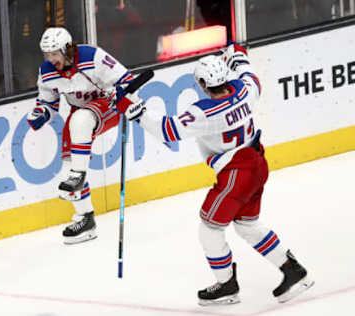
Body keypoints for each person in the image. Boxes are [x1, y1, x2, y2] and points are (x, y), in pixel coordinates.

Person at [122, 43, 314, 305]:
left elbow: (168, 130)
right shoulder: (246, 90)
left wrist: (137, 112)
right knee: (247, 226)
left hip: (237, 172)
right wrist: (236, 53)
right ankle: (294, 271)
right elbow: (247, 70)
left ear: (201, 83)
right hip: (257, 162)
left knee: (209, 230)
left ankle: (227, 285)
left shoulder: (205, 112)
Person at [26, 27, 137, 245]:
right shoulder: (47, 71)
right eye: (47, 54)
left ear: (67, 49)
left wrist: (123, 93)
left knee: (80, 122)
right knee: (68, 169)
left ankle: (79, 174)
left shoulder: (93, 56)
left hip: (108, 106)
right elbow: (48, 103)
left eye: (54, 53)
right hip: (80, 113)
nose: (51, 59)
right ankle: (86, 219)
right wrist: (41, 114)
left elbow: (127, 80)